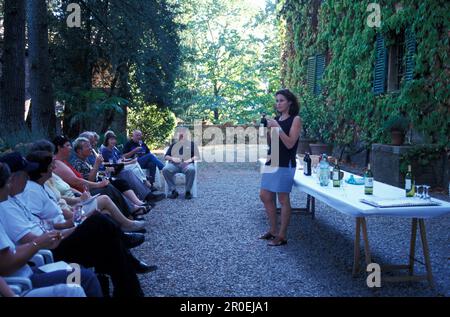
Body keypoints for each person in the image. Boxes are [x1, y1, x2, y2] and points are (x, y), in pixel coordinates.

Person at [0, 152, 156, 297]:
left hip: (52, 241)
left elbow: (41, 223)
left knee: (106, 237)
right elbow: (33, 241)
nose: (27, 177)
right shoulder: (9, 205)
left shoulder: (15, 198)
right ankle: (127, 267)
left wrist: (68, 224)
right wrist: (69, 228)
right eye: (24, 174)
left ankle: (128, 284)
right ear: (12, 178)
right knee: (100, 225)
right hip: (51, 250)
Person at [0, 161, 102, 297]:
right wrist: (37, 244)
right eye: (7, 182)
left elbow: (13, 250)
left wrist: (68, 225)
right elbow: (6, 264)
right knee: (85, 278)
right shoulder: (6, 207)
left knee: (84, 267)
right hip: (26, 280)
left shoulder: (15, 200)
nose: (53, 169)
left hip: (33, 267)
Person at [52, 136, 149, 220]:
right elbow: (77, 181)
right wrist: (98, 180)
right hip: (82, 194)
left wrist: (102, 172)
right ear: (59, 148)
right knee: (109, 187)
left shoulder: (66, 162)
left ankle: (134, 207)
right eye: (67, 145)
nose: (91, 147)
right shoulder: (63, 163)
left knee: (118, 181)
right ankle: (131, 212)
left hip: (83, 192)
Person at [259, 89, 301, 246]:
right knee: (265, 195)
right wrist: (270, 131)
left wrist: (277, 127)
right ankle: (273, 230)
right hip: (272, 160)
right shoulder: (276, 119)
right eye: (277, 101)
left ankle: (282, 235)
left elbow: (290, 144)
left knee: (283, 199)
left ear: (290, 102)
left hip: (285, 162)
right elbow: (272, 144)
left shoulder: (295, 119)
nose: (278, 103)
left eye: (281, 100)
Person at [162, 127, 200, 200]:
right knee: (165, 169)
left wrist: (190, 160)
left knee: (191, 170)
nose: (181, 136)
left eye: (183, 135)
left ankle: (188, 191)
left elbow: (197, 156)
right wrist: (172, 158)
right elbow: (166, 156)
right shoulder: (174, 144)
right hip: (174, 164)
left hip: (187, 164)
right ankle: (173, 190)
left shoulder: (192, 144)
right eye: (180, 135)